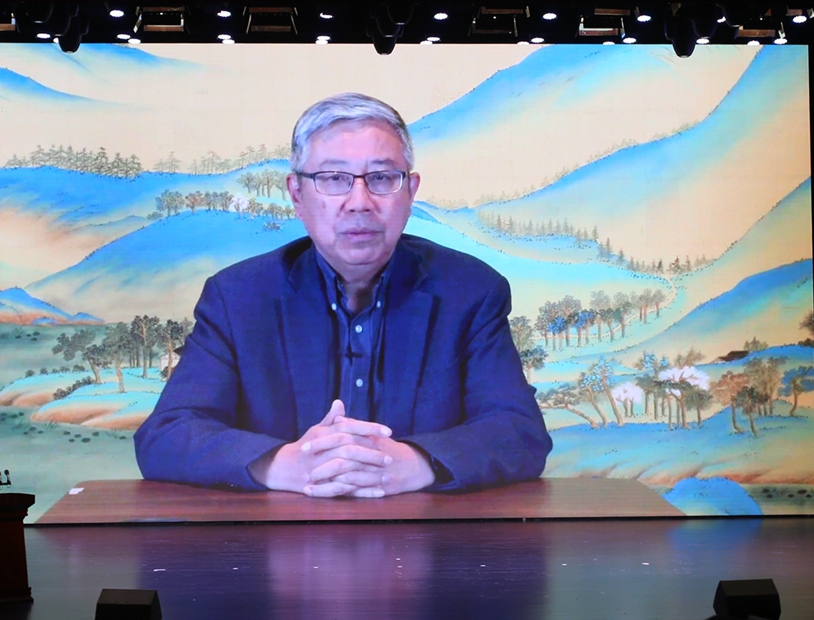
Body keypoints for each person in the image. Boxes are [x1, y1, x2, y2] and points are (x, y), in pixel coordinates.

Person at [135, 93, 551, 497]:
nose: (359, 202)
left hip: (427, 536)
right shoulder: (238, 298)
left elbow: (519, 431)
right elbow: (167, 435)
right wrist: (285, 465)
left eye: (382, 178)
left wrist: (414, 463)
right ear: (297, 194)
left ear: (410, 191)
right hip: (276, 537)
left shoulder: (470, 291)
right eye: (334, 179)